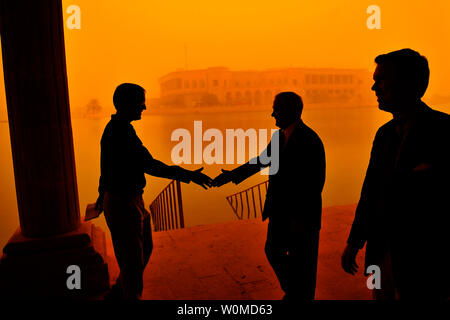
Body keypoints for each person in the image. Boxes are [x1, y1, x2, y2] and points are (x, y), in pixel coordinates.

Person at [342, 49, 449, 300]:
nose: (373, 87)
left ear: (408, 83)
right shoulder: (384, 134)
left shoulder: (444, 131)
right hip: (383, 252)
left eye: (380, 79)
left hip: (426, 258)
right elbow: (370, 191)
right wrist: (354, 242)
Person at [95, 83, 212, 300]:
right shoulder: (120, 132)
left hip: (129, 200)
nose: (144, 107)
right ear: (126, 104)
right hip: (123, 203)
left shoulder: (121, 128)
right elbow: (150, 165)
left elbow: (106, 167)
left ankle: (120, 292)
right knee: (132, 262)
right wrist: (190, 176)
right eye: (141, 102)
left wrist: (102, 194)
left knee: (141, 251)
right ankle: (128, 295)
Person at [213, 92, 326, 300]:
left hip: (301, 216)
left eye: (277, 109)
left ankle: (299, 294)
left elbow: (315, 183)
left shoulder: (310, 139)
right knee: (274, 251)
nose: (272, 114)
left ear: (292, 111)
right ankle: (294, 291)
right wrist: (232, 176)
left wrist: (297, 215)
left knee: (303, 261)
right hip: (280, 212)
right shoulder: (279, 137)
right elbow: (261, 161)